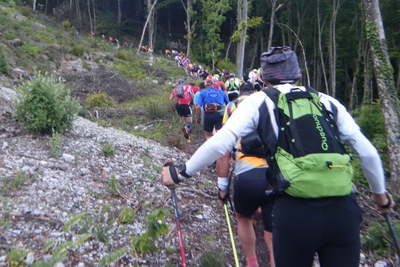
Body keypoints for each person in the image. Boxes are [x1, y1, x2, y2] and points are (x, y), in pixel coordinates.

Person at [162, 46, 394, 267]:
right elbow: (368, 153)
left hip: (294, 211)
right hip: (343, 211)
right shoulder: (327, 101)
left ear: (263, 79)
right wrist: (380, 197)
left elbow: (220, 143)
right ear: (298, 75)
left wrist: (180, 172)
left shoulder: (258, 101)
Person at [216, 81, 275, 267]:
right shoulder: (272, 104)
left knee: (243, 217)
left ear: (240, 91)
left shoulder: (233, 106)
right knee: (274, 236)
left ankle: (252, 262)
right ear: (255, 90)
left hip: (248, 174)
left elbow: (223, 154)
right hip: (275, 176)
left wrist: (223, 189)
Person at [194, 75, 229, 140]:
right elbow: (229, 104)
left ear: (205, 85)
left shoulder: (202, 93)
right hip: (220, 114)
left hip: (208, 114)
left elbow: (198, 107)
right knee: (220, 132)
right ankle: (220, 146)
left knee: (208, 134)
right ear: (213, 84)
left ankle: (212, 147)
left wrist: (198, 118)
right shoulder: (221, 92)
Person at [169, 79, 195, 143]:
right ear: (184, 82)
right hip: (186, 105)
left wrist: (173, 107)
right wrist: (194, 104)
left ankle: (187, 138)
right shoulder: (189, 87)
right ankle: (188, 138)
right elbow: (193, 97)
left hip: (178, 105)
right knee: (189, 123)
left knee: (184, 122)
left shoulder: (175, 89)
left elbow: (170, 99)